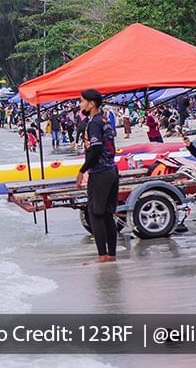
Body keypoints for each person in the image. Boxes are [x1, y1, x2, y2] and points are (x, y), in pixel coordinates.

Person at [75, 89, 118, 263]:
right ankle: (111, 255)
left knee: (95, 213)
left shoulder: (93, 123)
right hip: (112, 171)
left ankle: (102, 255)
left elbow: (96, 149)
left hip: (100, 173)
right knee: (107, 214)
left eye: (82, 101)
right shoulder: (104, 120)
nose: (80, 105)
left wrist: (82, 170)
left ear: (91, 104)